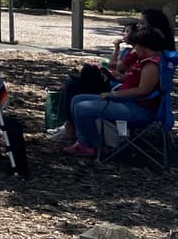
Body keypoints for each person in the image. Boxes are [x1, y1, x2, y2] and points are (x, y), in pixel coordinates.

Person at [48, 9, 175, 140]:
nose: (137, 27)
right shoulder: (145, 52)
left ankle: (84, 139)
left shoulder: (152, 59)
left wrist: (114, 93)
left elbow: (143, 88)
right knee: (76, 89)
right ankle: (76, 131)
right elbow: (130, 74)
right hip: (122, 91)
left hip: (130, 101)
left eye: (141, 24)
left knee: (76, 90)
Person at [65, 24, 168, 157]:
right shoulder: (144, 60)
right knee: (77, 99)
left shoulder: (152, 64)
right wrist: (119, 78)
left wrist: (114, 94)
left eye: (137, 45)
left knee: (82, 108)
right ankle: (84, 141)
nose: (135, 48)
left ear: (145, 46)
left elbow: (143, 90)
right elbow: (133, 80)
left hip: (137, 110)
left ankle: (92, 146)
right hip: (127, 102)